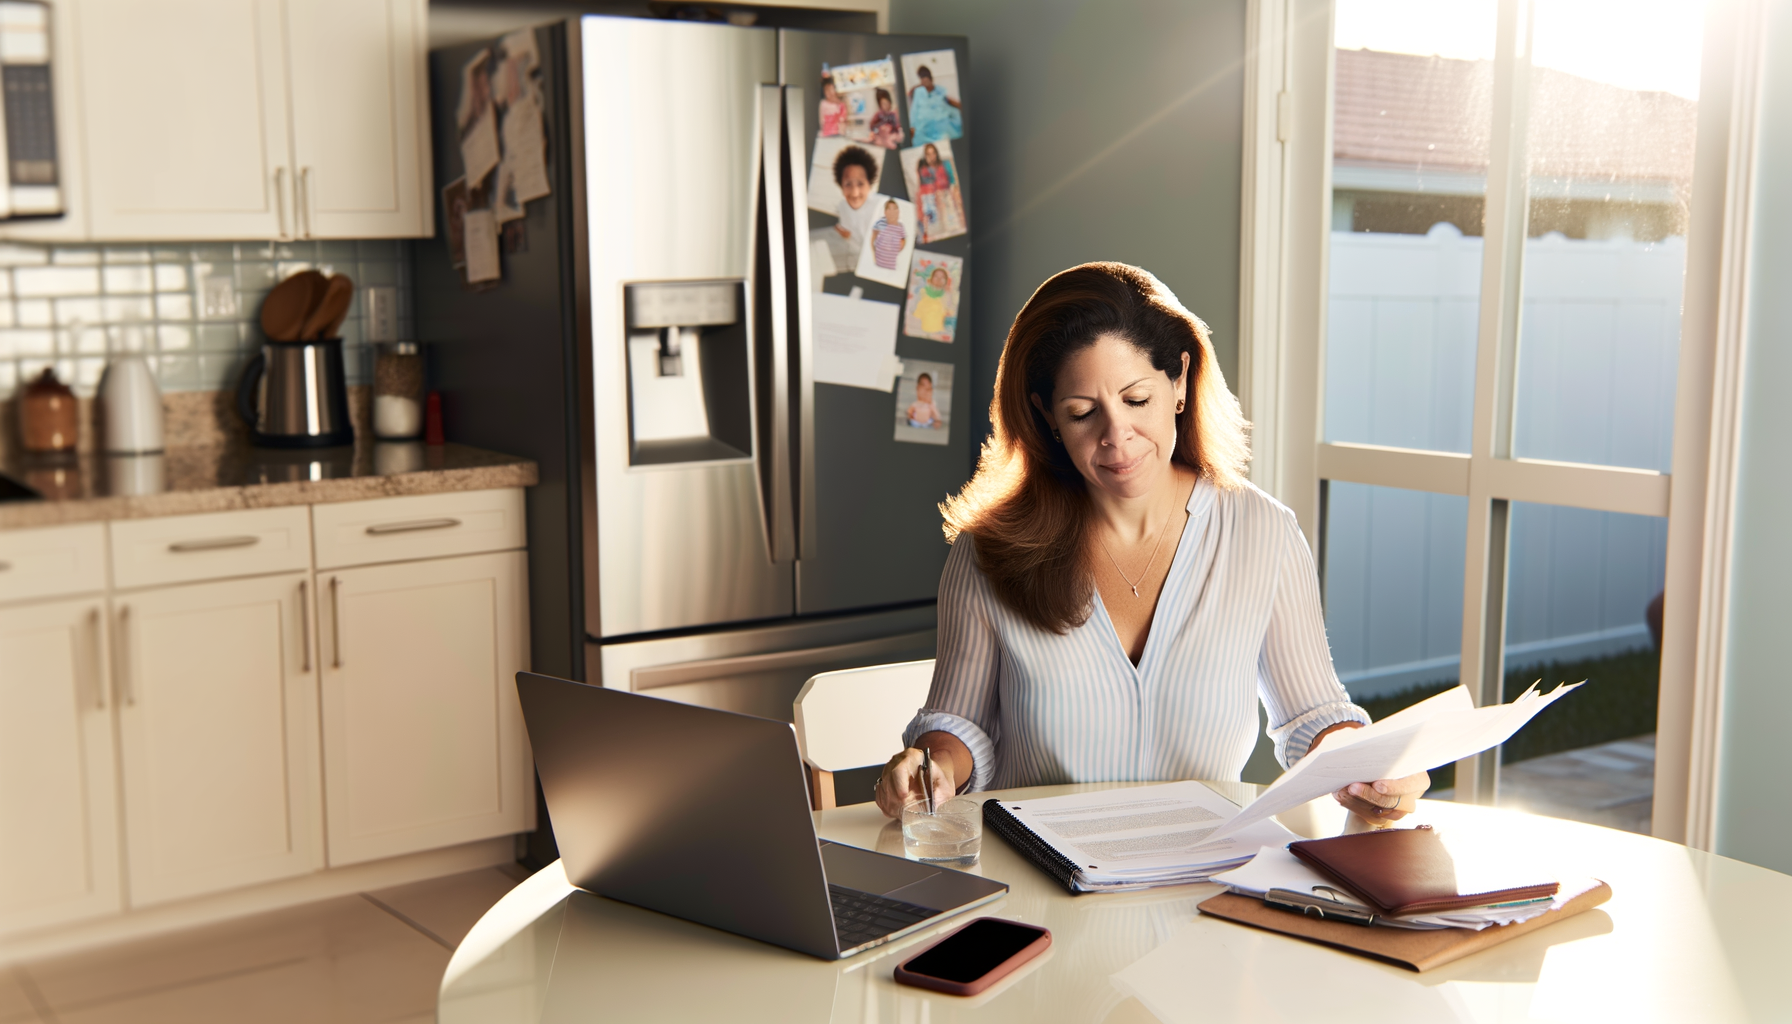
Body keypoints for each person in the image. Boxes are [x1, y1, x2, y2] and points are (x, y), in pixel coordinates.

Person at [873, 262, 1429, 826]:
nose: (1117, 436)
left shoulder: (1264, 533)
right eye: (1082, 413)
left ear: (1180, 381)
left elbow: (1314, 717)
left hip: (1204, 881)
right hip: (1039, 876)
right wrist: (932, 765)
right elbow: (957, 723)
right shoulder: (991, 550)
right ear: (1047, 418)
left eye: (1136, 400)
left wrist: (1367, 763)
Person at [826, 146, 879, 274]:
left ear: (869, 184)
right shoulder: (841, 208)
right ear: (841, 186)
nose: (855, 193)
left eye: (860, 184)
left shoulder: (880, 210)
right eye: (848, 184)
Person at [912, 142, 964, 241]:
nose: (931, 156)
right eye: (928, 154)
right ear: (925, 155)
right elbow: (920, 186)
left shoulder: (944, 164)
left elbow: (952, 181)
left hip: (945, 196)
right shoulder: (922, 168)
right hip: (929, 197)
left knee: (951, 224)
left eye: (933, 153)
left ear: (936, 154)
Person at [906, 65, 962, 145]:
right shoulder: (918, 91)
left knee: (953, 122)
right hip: (924, 122)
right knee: (919, 138)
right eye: (922, 78)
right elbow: (914, 110)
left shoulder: (939, 89)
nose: (924, 81)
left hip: (940, 119)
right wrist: (912, 126)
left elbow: (945, 101)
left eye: (925, 78)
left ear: (930, 78)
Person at [912, 264, 952, 335]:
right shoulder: (922, 292)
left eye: (942, 277)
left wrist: (948, 294)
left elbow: (949, 313)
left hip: (940, 331)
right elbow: (915, 313)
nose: (938, 279)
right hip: (922, 330)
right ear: (931, 278)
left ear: (946, 281)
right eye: (936, 276)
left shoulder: (946, 295)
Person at [869, 198, 905, 271]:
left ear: (898, 212)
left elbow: (903, 241)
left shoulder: (900, 227)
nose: (892, 212)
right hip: (878, 262)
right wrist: (874, 254)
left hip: (891, 264)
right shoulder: (879, 223)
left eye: (895, 209)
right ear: (885, 212)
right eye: (889, 209)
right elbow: (872, 239)